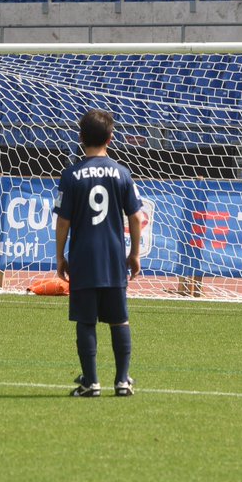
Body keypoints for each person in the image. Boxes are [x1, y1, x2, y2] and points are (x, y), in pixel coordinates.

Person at [55, 109, 143, 397]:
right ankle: (122, 381)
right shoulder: (121, 173)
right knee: (120, 319)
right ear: (111, 137)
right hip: (113, 257)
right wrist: (135, 253)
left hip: (83, 257)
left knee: (86, 320)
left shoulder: (71, 175)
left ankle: (91, 382)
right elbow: (134, 216)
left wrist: (60, 256)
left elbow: (63, 221)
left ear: (80, 138)